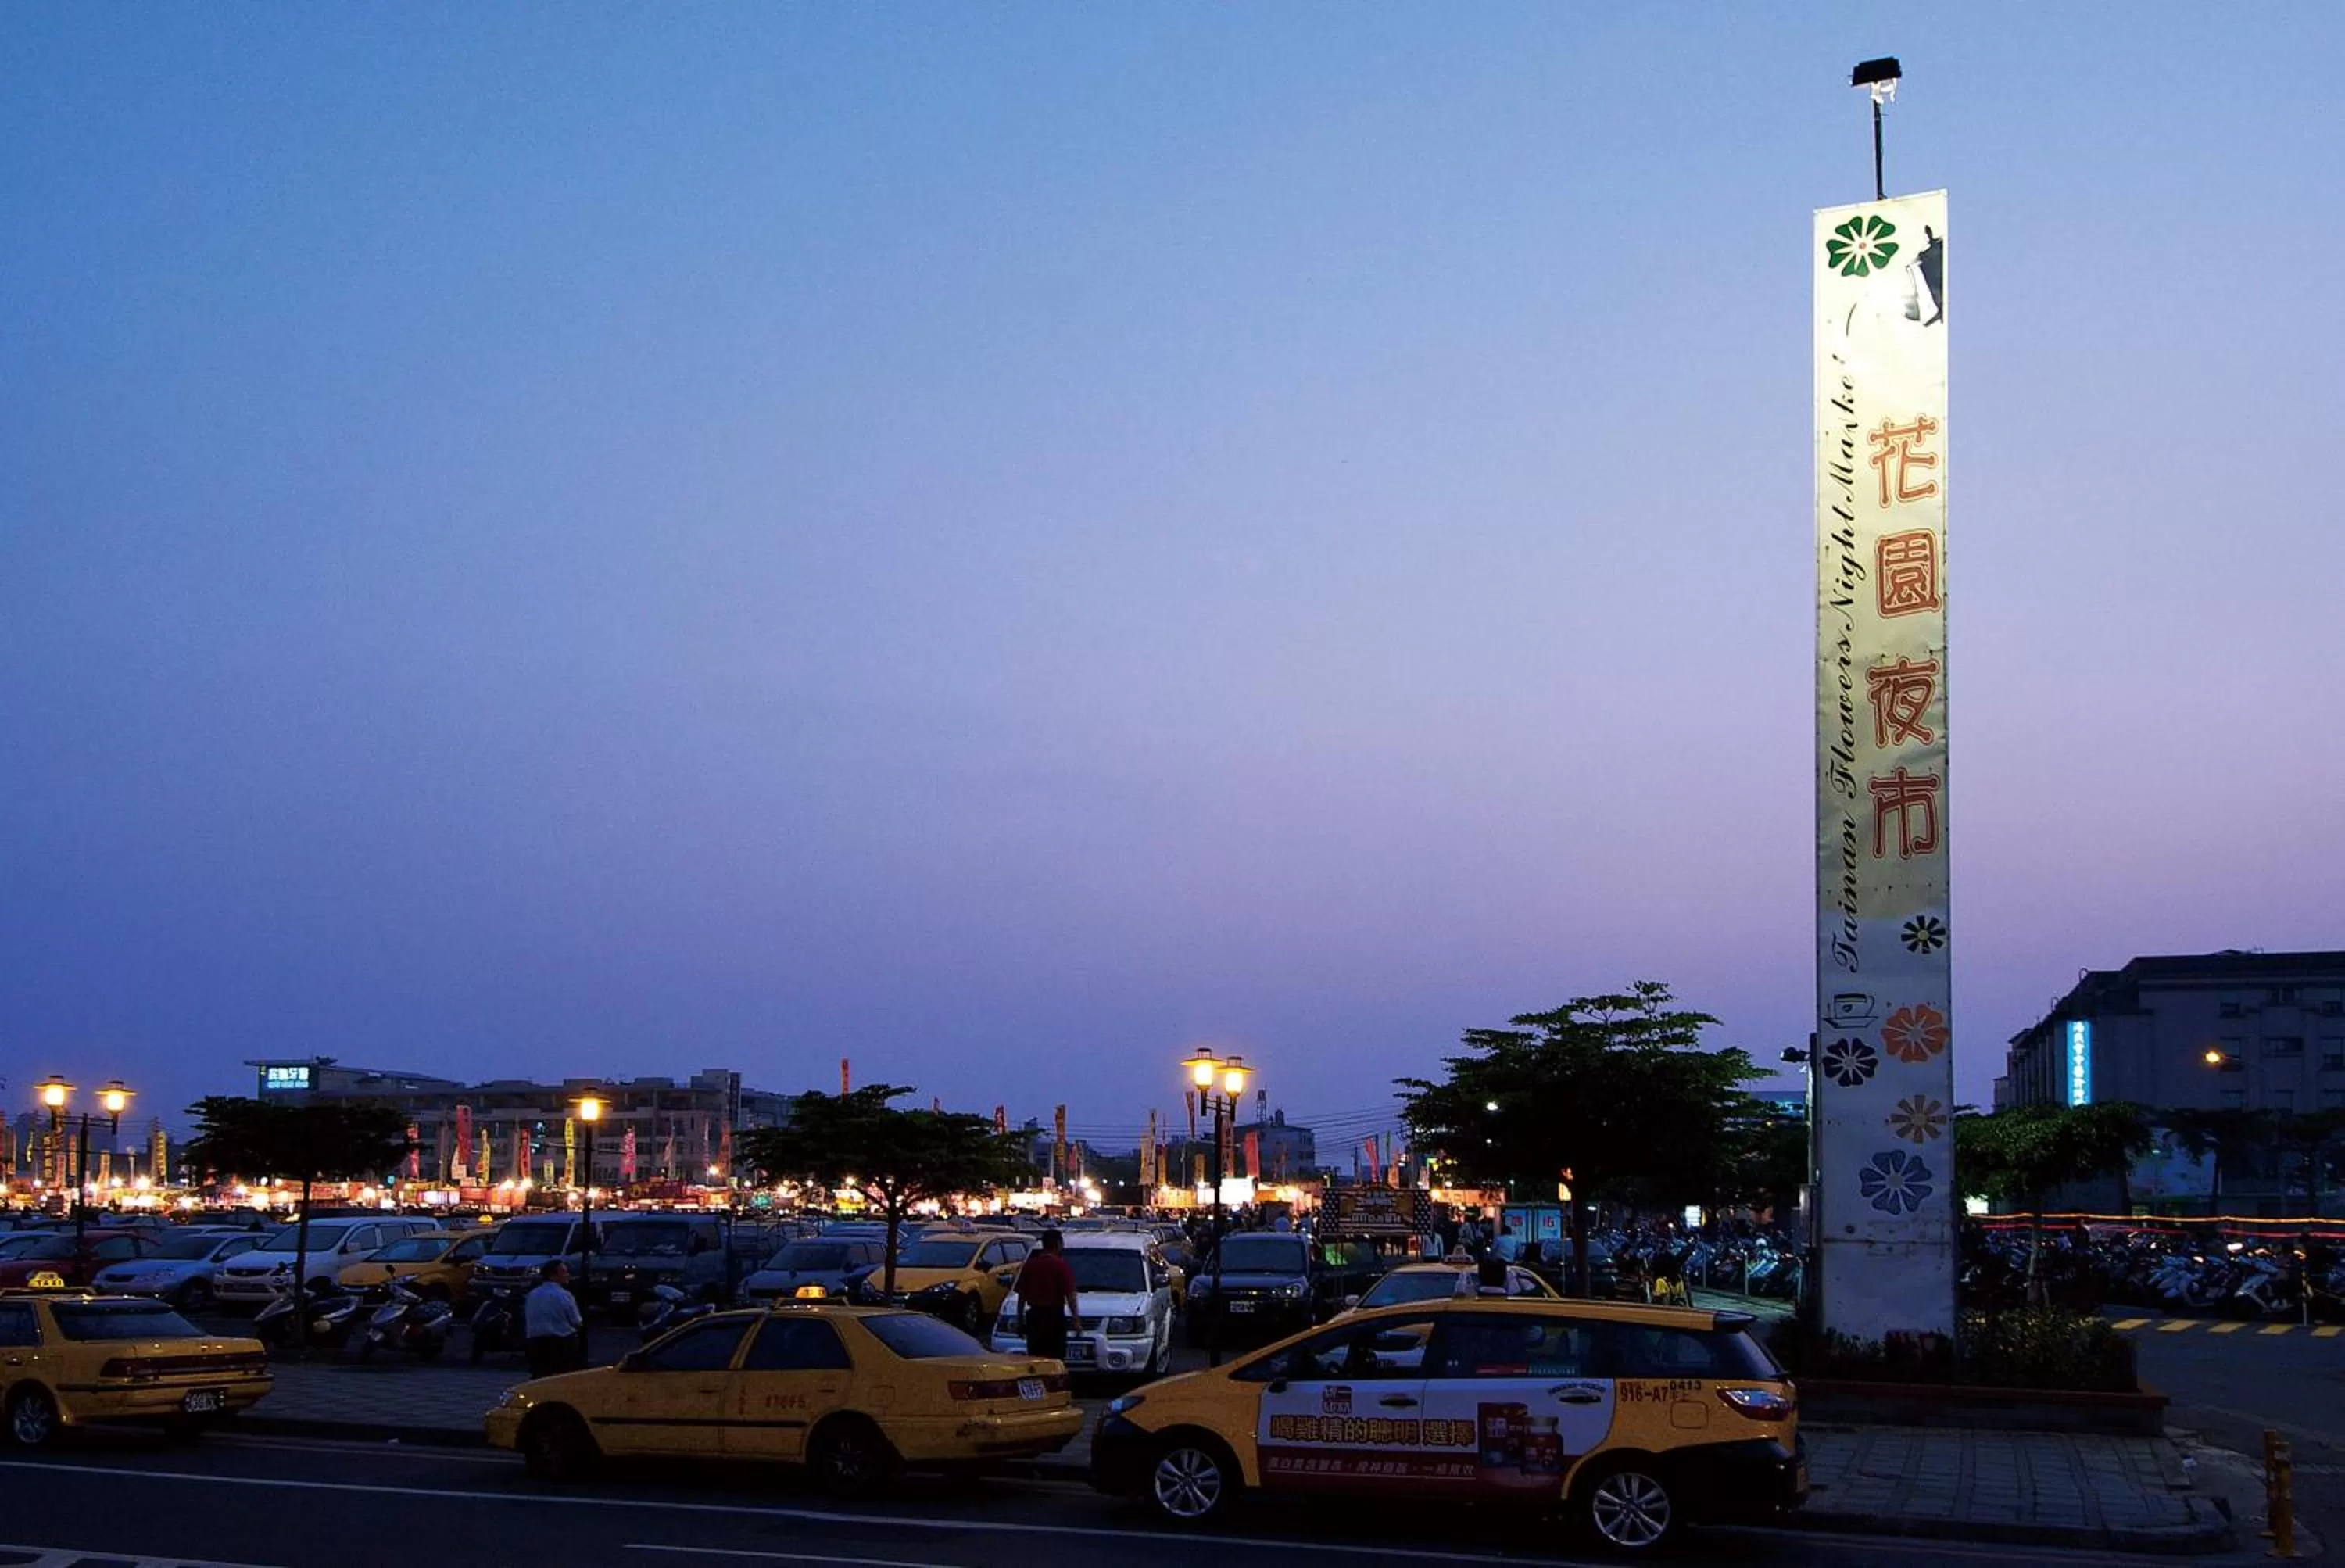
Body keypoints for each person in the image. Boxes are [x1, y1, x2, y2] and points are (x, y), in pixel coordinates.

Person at [1013, 1229, 1082, 1363]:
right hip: (1054, 1317)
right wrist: (1076, 1320)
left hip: (1035, 1318)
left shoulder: (1030, 1265)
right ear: (1057, 1244)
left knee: (1036, 1358)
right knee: (1055, 1358)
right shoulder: (1060, 1266)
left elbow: (1021, 1297)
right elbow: (1070, 1296)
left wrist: (1020, 1321)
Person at [524, 1258, 583, 1380]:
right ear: (552, 1276)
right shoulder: (564, 1295)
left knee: (539, 1377)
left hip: (535, 1342)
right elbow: (576, 1321)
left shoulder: (532, 1294)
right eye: (563, 1272)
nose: (567, 1275)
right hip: (561, 1342)